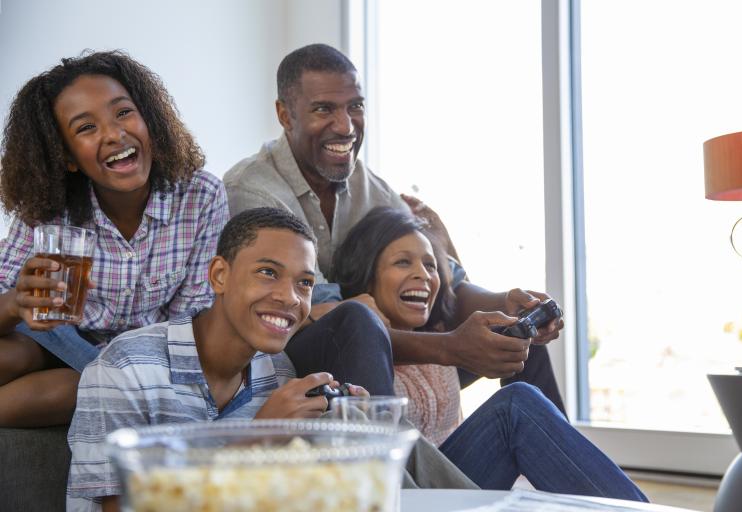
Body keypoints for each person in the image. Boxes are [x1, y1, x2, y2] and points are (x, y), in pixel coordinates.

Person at [223, 43, 565, 412]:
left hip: (371, 348)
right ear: (285, 115)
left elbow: (447, 282)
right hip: (290, 357)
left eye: (355, 106)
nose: (345, 126)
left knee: (514, 338)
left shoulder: (371, 188)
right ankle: (391, 467)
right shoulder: (253, 190)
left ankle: (562, 466)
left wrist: (505, 303)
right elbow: (315, 314)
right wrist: (451, 346)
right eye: (324, 109)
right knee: (355, 318)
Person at [328, 206, 647, 500]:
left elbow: (458, 290)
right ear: (367, 273)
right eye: (402, 262)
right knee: (515, 406)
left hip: (458, 477)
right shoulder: (355, 347)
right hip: (411, 492)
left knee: (519, 346)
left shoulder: (441, 332)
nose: (423, 275)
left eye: (430, 265)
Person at [66, 207, 373, 512]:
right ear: (219, 275)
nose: (290, 297)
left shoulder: (278, 373)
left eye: (304, 282)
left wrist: (337, 440)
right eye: (268, 273)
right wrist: (259, 438)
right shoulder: (123, 369)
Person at [0, 50, 229, 427]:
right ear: (68, 156)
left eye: (123, 112)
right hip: (56, 343)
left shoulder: (200, 197)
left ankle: (104, 380)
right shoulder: (49, 206)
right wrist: (14, 304)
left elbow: (193, 325)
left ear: (150, 120)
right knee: (13, 355)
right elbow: (11, 304)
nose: (113, 134)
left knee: (76, 387)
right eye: (86, 128)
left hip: (143, 362)